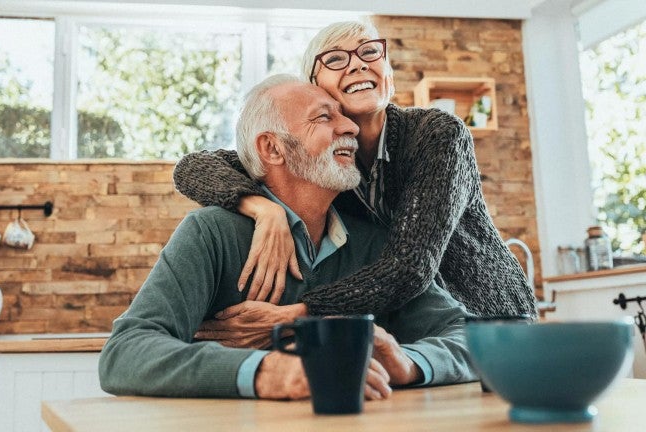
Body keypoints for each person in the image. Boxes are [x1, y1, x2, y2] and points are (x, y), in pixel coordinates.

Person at [98, 75, 476, 400]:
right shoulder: (211, 233)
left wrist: (408, 363)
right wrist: (269, 372)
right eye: (324, 117)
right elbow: (125, 353)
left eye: (344, 116)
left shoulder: (375, 243)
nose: (350, 128)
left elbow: (470, 338)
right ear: (272, 148)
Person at [173, 21, 537, 324]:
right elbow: (194, 166)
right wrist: (261, 208)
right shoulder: (322, 162)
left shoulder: (438, 134)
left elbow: (409, 266)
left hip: (490, 319)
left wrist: (300, 312)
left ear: (387, 72)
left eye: (369, 52)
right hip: (416, 328)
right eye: (334, 59)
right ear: (315, 87)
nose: (358, 65)